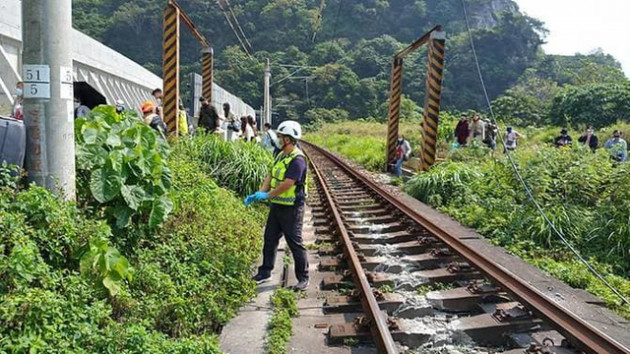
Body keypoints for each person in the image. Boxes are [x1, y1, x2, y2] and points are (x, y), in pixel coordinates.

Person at [245, 120, 310, 291]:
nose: (278, 139)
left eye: (281, 137)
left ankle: (303, 278)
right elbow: (270, 175)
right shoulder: (281, 155)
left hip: (292, 208)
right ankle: (265, 272)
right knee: (270, 238)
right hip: (277, 206)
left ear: (288, 139)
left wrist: (267, 195)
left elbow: (287, 184)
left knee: (294, 242)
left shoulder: (298, 160)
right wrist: (259, 193)